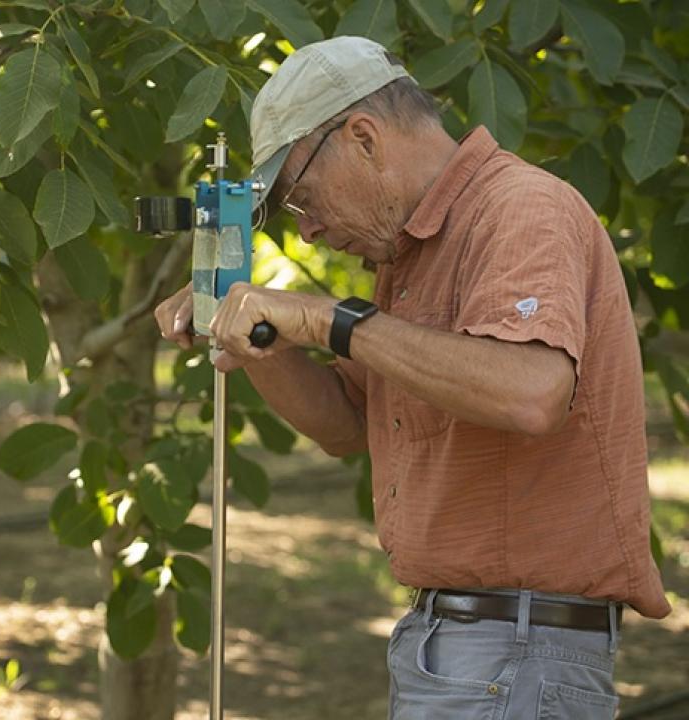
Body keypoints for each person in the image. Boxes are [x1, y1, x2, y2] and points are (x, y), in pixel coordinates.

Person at [154, 36, 669, 719]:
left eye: (302, 199)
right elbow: (345, 424)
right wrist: (248, 329)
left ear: (363, 138)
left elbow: (531, 391)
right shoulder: (410, 256)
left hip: (517, 650)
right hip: (461, 646)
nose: (307, 233)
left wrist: (327, 317)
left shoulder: (519, 210)